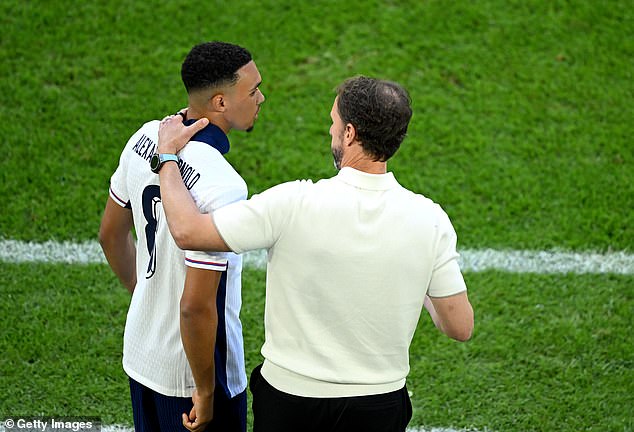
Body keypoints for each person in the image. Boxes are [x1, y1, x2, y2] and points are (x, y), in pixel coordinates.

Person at [155, 76, 473, 432]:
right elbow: (459, 326)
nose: (331, 131)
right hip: (378, 407)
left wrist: (167, 156)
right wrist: (421, 275)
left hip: (290, 403)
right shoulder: (430, 220)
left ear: (350, 134)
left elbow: (187, 231)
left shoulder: (292, 203)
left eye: (334, 123)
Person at [98, 41, 264, 432]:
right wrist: (205, 391)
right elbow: (194, 307)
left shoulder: (145, 139)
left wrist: (149, 296)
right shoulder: (224, 187)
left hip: (141, 357)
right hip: (195, 377)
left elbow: (110, 236)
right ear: (220, 103)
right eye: (253, 90)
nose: (262, 98)